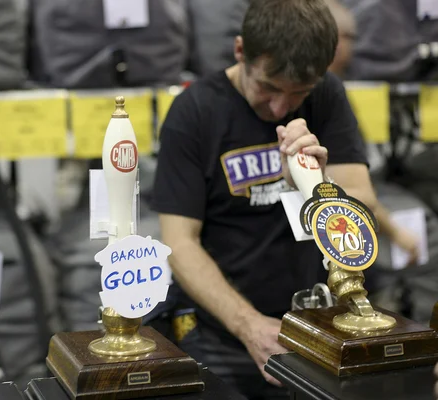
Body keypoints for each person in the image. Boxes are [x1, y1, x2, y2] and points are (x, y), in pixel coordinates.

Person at [150, 0, 412, 398]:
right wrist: (249, 325)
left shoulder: (327, 95)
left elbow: (361, 202)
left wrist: (312, 185)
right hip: (226, 333)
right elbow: (179, 242)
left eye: (297, 93)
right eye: (268, 88)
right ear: (241, 50)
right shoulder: (194, 111)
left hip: (319, 324)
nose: (279, 108)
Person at [325, 0, 421, 264]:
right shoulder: (328, 95)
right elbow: (349, 185)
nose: (355, 48)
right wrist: (396, 232)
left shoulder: (329, 90)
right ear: (336, 40)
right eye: (351, 38)